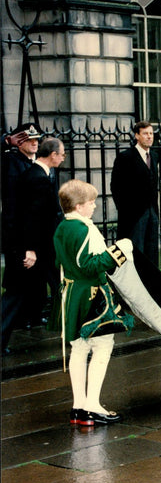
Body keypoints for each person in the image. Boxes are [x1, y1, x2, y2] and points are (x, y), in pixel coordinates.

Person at [50, 179, 133, 426]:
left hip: (70, 294)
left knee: (79, 348)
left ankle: (79, 406)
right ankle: (93, 405)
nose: (95, 206)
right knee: (103, 345)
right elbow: (90, 266)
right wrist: (118, 252)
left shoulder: (61, 228)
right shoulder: (84, 229)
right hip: (91, 295)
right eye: (90, 202)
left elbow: (62, 264)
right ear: (77, 206)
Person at [1, 137, 66, 353]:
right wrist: (29, 249)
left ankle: (77, 333)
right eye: (62, 153)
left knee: (62, 287)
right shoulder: (36, 178)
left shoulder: (43, 174)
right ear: (53, 155)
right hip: (36, 250)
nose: (64, 157)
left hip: (45, 248)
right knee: (16, 295)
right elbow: (29, 218)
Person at [1, 124, 42, 352]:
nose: (35, 143)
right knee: (16, 291)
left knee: (50, 284)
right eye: (30, 140)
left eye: (37, 139)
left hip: (37, 237)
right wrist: (24, 245)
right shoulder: (11, 163)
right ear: (20, 142)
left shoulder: (35, 164)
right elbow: (13, 209)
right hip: (20, 238)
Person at [111, 121, 160, 263]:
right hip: (134, 215)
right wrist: (126, 210)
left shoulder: (154, 156)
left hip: (152, 211)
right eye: (145, 134)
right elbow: (115, 187)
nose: (149, 137)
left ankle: (150, 283)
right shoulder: (125, 157)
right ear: (137, 136)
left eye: (151, 133)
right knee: (135, 252)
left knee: (151, 251)